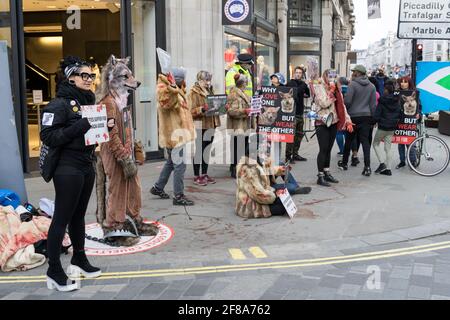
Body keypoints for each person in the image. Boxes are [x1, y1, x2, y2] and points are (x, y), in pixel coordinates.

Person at [40, 56, 101, 292]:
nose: (89, 80)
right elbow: (49, 136)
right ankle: (54, 271)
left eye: (91, 76)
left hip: (86, 164)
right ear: (71, 77)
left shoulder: (88, 101)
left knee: (79, 216)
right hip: (67, 168)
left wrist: (104, 127)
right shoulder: (58, 104)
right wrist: (81, 126)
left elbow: (87, 131)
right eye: (84, 75)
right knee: (62, 218)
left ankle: (79, 259)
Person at [96, 55, 157, 247]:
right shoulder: (108, 102)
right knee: (117, 189)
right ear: (112, 79)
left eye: (129, 75)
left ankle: (133, 219)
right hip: (114, 154)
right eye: (125, 76)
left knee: (134, 187)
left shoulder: (120, 99)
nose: (132, 80)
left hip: (125, 152)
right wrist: (123, 157)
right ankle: (114, 226)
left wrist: (133, 147)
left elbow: (126, 127)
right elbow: (110, 134)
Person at [150, 67, 196, 206]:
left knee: (171, 162)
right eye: (184, 79)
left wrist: (177, 89)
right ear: (179, 79)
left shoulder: (173, 88)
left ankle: (158, 187)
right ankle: (179, 196)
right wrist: (174, 90)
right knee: (180, 165)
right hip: (175, 135)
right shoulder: (165, 90)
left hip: (178, 133)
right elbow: (167, 104)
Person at [311, 70, 353, 187]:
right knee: (323, 149)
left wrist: (348, 120)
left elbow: (341, 105)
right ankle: (320, 176)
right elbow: (324, 103)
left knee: (329, 149)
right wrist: (331, 92)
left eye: (334, 77)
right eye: (330, 76)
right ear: (325, 76)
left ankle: (326, 172)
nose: (332, 78)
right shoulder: (319, 87)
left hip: (333, 121)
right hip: (322, 122)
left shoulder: (336, 88)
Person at [235, 135, 290, 219]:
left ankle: (289, 189)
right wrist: (274, 195)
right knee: (281, 207)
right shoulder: (247, 169)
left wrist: (280, 170)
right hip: (251, 205)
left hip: (261, 194)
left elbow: (267, 170)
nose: (266, 149)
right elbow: (257, 194)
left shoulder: (256, 161)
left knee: (284, 199)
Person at [338, 65, 377, 176]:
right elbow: (373, 105)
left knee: (349, 140)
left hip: (353, 117)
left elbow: (348, 101)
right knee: (365, 142)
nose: (353, 73)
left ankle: (344, 163)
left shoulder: (353, 84)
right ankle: (367, 167)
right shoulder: (372, 86)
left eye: (354, 71)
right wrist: (373, 119)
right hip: (366, 117)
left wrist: (345, 111)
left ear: (358, 73)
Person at [188, 70, 220, 186]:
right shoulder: (193, 92)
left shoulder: (210, 90)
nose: (208, 82)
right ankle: (197, 175)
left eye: (209, 80)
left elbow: (215, 105)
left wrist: (221, 106)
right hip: (199, 125)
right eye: (205, 80)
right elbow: (190, 111)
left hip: (211, 123)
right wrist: (202, 109)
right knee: (199, 150)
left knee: (207, 150)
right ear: (199, 80)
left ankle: (205, 173)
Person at [227, 73, 256, 178]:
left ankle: (238, 167)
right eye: (246, 82)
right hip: (237, 127)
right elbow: (231, 111)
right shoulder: (234, 94)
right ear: (243, 83)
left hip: (244, 126)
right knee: (237, 149)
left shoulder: (244, 94)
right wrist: (245, 110)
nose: (247, 84)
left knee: (242, 148)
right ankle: (235, 170)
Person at [372, 80, 402, 176]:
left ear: (386, 90)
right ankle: (388, 169)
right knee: (388, 148)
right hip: (392, 127)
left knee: (375, 144)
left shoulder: (382, 101)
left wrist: (373, 122)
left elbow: (377, 115)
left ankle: (382, 163)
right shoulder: (397, 101)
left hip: (382, 127)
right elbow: (400, 114)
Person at [286, 66, 310, 163]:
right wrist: (304, 86)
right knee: (291, 136)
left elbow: (307, 94)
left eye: (300, 73)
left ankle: (295, 154)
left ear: (302, 74)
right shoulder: (290, 83)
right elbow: (296, 92)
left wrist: (307, 87)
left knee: (299, 135)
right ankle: (288, 156)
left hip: (300, 112)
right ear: (294, 73)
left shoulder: (303, 84)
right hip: (292, 114)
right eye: (297, 72)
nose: (298, 74)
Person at [396, 76, 420, 169]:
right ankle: (402, 161)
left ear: (409, 83)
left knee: (410, 142)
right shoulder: (396, 93)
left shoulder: (415, 94)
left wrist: (419, 114)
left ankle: (413, 161)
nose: (403, 83)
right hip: (400, 120)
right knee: (400, 142)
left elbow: (419, 107)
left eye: (405, 82)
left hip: (411, 121)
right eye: (401, 82)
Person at [335, 76, 349, 156]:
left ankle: (342, 150)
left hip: (339, 113)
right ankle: (347, 149)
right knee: (347, 132)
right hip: (349, 113)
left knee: (339, 132)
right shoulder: (350, 89)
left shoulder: (338, 90)